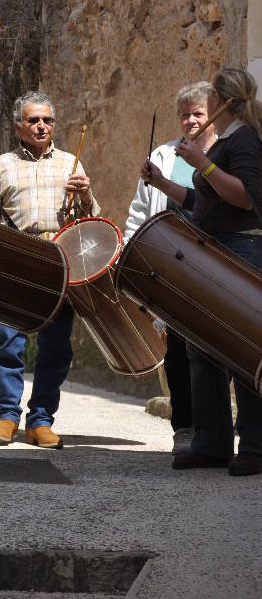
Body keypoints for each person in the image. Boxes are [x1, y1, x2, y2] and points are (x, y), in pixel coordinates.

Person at [142, 68, 262, 477]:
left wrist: (203, 164)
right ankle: (212, 444)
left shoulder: (244, 139)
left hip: (240, 248)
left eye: (209, 97)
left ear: (221, 102)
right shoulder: (227, 141)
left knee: (242, 345)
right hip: (215, 247)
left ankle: (255, 447)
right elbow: (204, 203)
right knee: (203, 344)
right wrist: (162, 183)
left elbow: (245, 198)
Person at [0, 90, 100, 448]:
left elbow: (91, 220)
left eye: (47, 119)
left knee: (56, 345)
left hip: (59, 262)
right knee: (7, 341)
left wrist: (86, 196)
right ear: (19, 127)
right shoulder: (1, 166)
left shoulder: (71, 164)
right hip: (15, 261)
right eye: (33, 120)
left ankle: (41, 420)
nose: (42, 126)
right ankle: (7, 416)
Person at [124, 81, 215, 455]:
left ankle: (216, 432)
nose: (190, 120)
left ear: (214, 116)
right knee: (177, 350)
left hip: (214, 267)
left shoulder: (223, 155)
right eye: (184, 114)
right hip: (172, 269)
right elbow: (139, 213)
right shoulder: (163, 157)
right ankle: (185, 429)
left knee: (214, 352)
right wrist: (132, 259)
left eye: (198, 113)